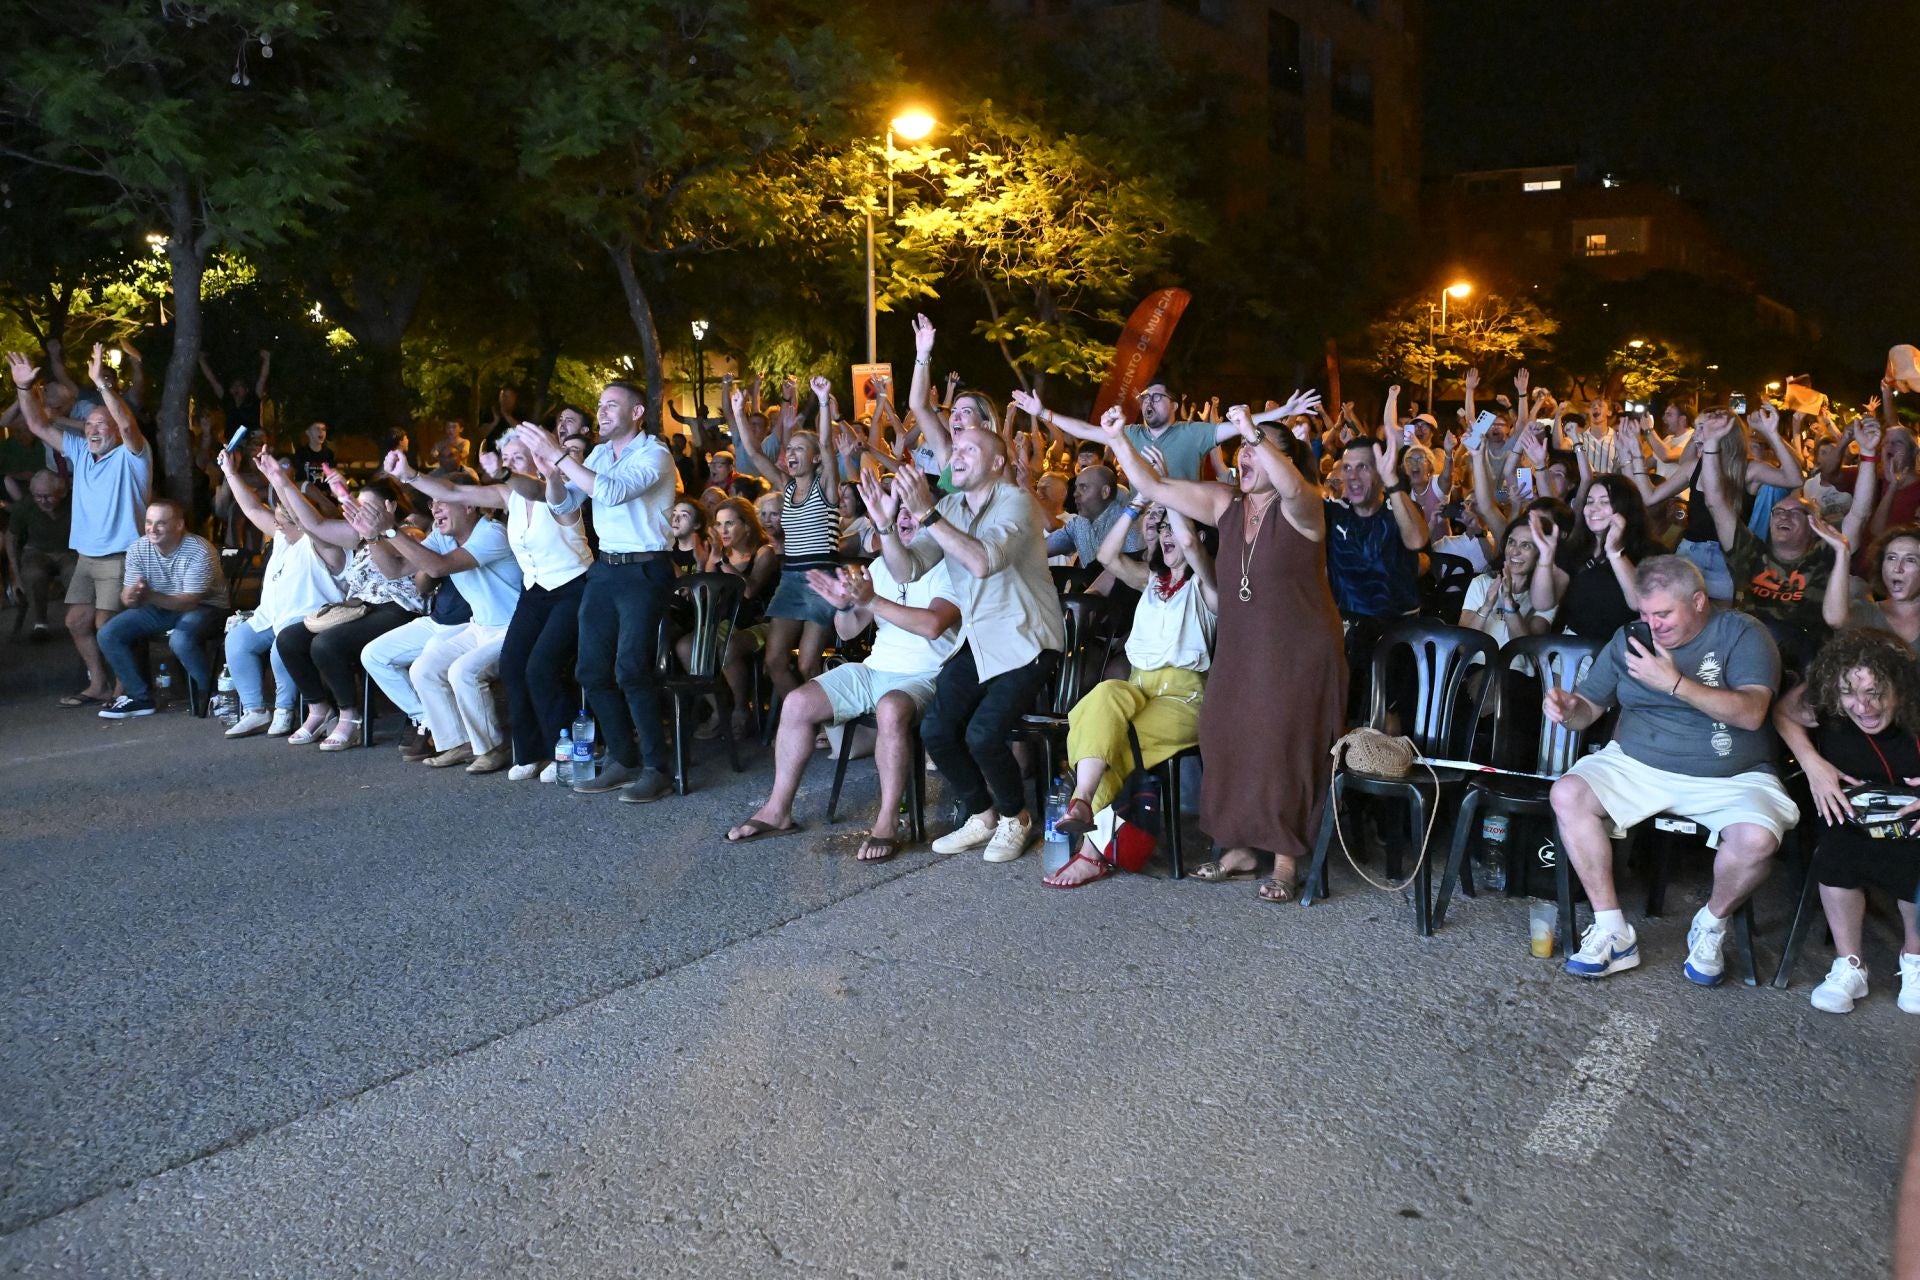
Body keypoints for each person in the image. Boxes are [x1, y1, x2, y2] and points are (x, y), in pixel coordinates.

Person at [1103, 404, 1345, 901]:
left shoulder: (1305, 506)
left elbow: (1294, 487)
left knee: (1284, 742)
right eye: (1242, 449)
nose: (1246, 455)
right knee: (1222, 730)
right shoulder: (1224, 503)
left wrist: (1252, 430)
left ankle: (1284, 859)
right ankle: (1236, 847)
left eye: (1258, 448)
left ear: (1286, 460)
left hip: (1300, 649)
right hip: (1241, 643)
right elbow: (1155, 489)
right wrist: (1118, 442)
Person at [1545, 555, 1796, 985]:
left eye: (1663, 614)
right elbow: (1590, 708)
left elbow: (1753, 713)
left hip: (1731, 775)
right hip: (1637, 763)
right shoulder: (1630, 638)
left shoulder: (1742, 634)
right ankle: (1612, 930)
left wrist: (1674, 683)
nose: (1651, 625)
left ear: (1698, 601)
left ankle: (1712, 924)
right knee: (1568, 794)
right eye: (1644, 613)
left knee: (1757, 841)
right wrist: (1570, 710)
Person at [864, 430, 1065, 864]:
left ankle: (1018, 818)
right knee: (937, 729)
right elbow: (906, 571)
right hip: (979, 640)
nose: (958, 455)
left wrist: (926, 513)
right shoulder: (950, 506)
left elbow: (983, 561)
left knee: (983, 733)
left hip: (1027, 637)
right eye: (956, 449)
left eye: (971, 448)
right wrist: (885, 527)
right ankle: (983, 814)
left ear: (996, 462)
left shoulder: (1016, 501)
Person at [724, 503, 961, 861]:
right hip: (875, 668)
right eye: (901, 514)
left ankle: (886, 822)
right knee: (797, 702)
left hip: (927, 674)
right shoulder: (881, 567)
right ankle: (778, 810)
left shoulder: (950, 567)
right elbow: (848, 629)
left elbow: (932, 625)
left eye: (915, 513)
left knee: (891, 708)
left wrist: (873, 601)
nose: (906, 519)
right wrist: (846, 605)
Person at [515, 379, 679, 804]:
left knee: (631, 669)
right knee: (590, 670)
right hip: (606, 569)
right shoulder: (600, 454)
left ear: (637, 412)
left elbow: (612, 491)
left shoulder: (655, 454)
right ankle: (623, 759)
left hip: (645, 569)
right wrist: (552, 472)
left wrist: (559, 457)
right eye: (600, 405)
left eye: (611, 405)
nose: (601, 412)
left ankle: (656, 768)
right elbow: (564, 506)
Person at [385, 440, 586, 779]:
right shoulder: (510, 497)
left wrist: (506, 472)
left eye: (515, 459)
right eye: (504, 459)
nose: (505, 466)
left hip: (573, 588)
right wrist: (410, 475)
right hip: (535, 591)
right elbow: (453, 491)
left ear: (540, 460)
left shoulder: (563, 491)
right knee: (512, 664)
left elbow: (538, 490)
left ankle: (563, 753)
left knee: (540, 667)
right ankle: (529, 751)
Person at [1044, 499, 1217, 888]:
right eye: (1164, 529)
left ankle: (1090, 853)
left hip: (1183, 699)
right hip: (1139, 685)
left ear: (1198, 538)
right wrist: (1136, 507)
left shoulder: (1208, 586)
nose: (1168, 535)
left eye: (1176, 529)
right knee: (1103, 696)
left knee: (1116, 740)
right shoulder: (1150, 581)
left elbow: (1189, 540)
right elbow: (1107, 554)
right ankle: (1083, 799)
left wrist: (1167, 497)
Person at [1773, 629, 1920, 1014]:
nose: (1863, 706)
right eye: (1850, 693)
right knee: (1836, 849)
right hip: (1852, 811)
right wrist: (1812, 763)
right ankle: (1850, 965)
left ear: (1899, 688)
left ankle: (1915, 959)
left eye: (1875, 693)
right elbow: (1783, 714)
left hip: (1913, 811)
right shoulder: (1825, 702)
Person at [8, 345, 151, 706]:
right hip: (87, 555)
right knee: (75, 622)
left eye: (102, 425)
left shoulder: (133, 456)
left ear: (116, 431)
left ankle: (127, 690)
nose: (93, 430)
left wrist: (101, 384)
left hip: (121, 554)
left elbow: (127, 424)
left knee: (107, 625)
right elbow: (39, 423)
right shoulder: (80, 454)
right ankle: (100, 684)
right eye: (89, 424)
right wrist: (25, 389)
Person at [1698, 409, 1877, 671]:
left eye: (1797, 513)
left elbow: (1860, 512)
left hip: (1806, 660)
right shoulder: (1749, 553)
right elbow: (1715, 501)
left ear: (1813, 524)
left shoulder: (1826, 554)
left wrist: (1869, 454)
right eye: (1779, 511)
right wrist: (1712, 443)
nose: (1785, 516)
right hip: (1750, 657)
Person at [265, 463, 425, 750]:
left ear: (390, 505)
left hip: (399, 610)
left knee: (326, 644)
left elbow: (391, 566)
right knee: (289, 638)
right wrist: (281, 481)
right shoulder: (359, 536)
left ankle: (351, 718)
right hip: (359, 608)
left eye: (368, 508)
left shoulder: (411, 533)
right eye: (356, 508)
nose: (359, 516)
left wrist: (370, 525)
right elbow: (313, 525)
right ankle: (319, 709)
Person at [214, 447, 345, 737]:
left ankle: (285, 710)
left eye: (284, 521)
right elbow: (251, 509)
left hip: (310, 619)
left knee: (280, 649)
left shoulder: (321, 543)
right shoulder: (284, 537)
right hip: (271, 616)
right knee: (237, 641)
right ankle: (255, 710)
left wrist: (279, 481)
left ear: (300, 519)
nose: (277, 526)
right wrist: (231, 473)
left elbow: (311, 521)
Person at [736, 378, 842, 718]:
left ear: (813, 458)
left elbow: (827, 444)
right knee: (775, 660)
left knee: (810, 662)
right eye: (790, 448)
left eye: (799, 449)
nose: (790, 453)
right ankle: (805, 718)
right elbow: (752, 453)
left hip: (822, 578)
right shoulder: (784, 487)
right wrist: (738, 412)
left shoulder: (826, 486)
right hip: (791, 578)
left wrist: (823, 401)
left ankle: (825, 725)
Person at [1013, 375, 1320, 483]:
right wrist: (1043, 412)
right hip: (1140, 531)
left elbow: (1239, 426)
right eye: (1147, 397)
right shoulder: (1130, 434)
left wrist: (1284, 411)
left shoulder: (1194, 432)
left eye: (1158, 397)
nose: (1150, 401)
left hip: (1184, 530)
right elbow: (1083, 430)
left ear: (1174, 405)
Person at [94, 499, 230, 718]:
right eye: (148, 522)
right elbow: (130, 597)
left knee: (181, 640)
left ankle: (213, 693)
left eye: (160, 523)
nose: (152, 529)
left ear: (178, 525)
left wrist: (148, 595)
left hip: (206, 606)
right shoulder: (138, 548)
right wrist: (130, 596)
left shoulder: (198, 550)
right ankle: (140, 698)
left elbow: (189, 602)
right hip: (159, 606)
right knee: (108, 633)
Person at [684, 496, 779, 740]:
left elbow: (749, 591)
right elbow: (703, 591)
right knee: (685, 647)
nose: (722, 530)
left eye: (729, 524)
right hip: (728, 622)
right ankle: (719, 710)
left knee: (728, 649)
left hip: (762, 622)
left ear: (746, 525)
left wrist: (723, 561)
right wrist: (706, 561)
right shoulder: (719, 554)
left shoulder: (763, 552)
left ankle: (740, 710)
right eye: (718, 524)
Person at [1826, 525, 1920, 655]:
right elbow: (1835, 619)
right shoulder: (1867, 611)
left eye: (1910, 560)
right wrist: (1842, 552)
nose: (1897, 568)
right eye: (1891, 558)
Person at [5, 469, 72, 640]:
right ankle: (40, 623)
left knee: (74, 573)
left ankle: (78, 620)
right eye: (38, 496)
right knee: (33, 574)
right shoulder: (27, 505)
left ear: (61, 492)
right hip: (37, 551)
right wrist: (15, 571)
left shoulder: (74, 501)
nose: (43, 501)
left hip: (69, 551)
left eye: (48, 496)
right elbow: (11, 537)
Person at [197, 349, 270, 436]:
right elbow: (212, 380)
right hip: (232, 443)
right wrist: (201, 361)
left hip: (252, 442)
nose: (236, 388)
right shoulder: (227, 400)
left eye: (239, 386)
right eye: (234, 386)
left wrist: (266, 360)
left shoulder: (254, 398)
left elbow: (262, 379)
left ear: (246, 389)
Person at [289, 421, 336, 486]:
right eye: (317, 428)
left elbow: (333, 475)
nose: (321, 431)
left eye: (323, 429)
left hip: (326, 494)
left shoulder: (329, 454)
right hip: (306, 494)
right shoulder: (300, 453)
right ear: (308, 432)